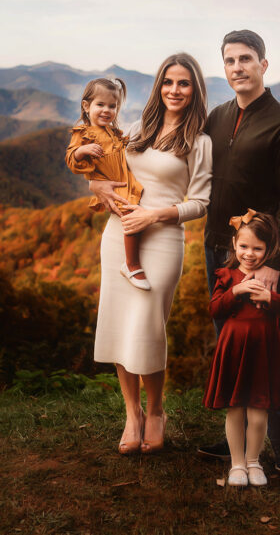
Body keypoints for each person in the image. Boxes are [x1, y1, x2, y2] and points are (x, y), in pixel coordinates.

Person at [86, 52, 212, 455]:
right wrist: (96, 186)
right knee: (120, 324)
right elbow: (108, 168)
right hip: (118, 235)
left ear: (195, 90)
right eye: (168, 82)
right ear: (159, 86)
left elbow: (202, 202)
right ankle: (132, 414)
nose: (175, 90)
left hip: (162, 240)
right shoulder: (137, 128)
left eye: (184, 83)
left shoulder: (200, 141)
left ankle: (156, 411)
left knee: (147, 328)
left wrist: (153, 215)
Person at [199, 29, 280, 473]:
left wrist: (271, 267)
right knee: (231, 341)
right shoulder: (217, 117)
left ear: (264, 65)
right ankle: (238, 438)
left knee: (264, 347)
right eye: (229, 60)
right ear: (223, 68)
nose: (238, 67)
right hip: (217, 250)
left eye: (246, 59)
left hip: (258, 257)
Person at [203, 211, 280, 487]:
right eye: (244, 246)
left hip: (263, 350)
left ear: (269, 250)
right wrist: (235, 292)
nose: (250, 253)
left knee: (258, 412)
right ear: (234, 244)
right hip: (234, 348)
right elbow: (214, 309)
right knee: (235, 408)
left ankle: (254, 461)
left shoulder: (277, 277)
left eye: (258, 248)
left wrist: (271, 297)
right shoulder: (226, 275)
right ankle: (237, 464)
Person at [65, 77, 150, 290]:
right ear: (86, 106)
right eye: (100, 105)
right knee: (130, 215)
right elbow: (70, 159)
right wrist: (82, 151)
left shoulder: (113, 132)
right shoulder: (83, 133)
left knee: (137, 210)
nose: (106, 110)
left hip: (125, 179)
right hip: (112, 184)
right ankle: (131, 264)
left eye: (112, 106)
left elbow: (122, 148)